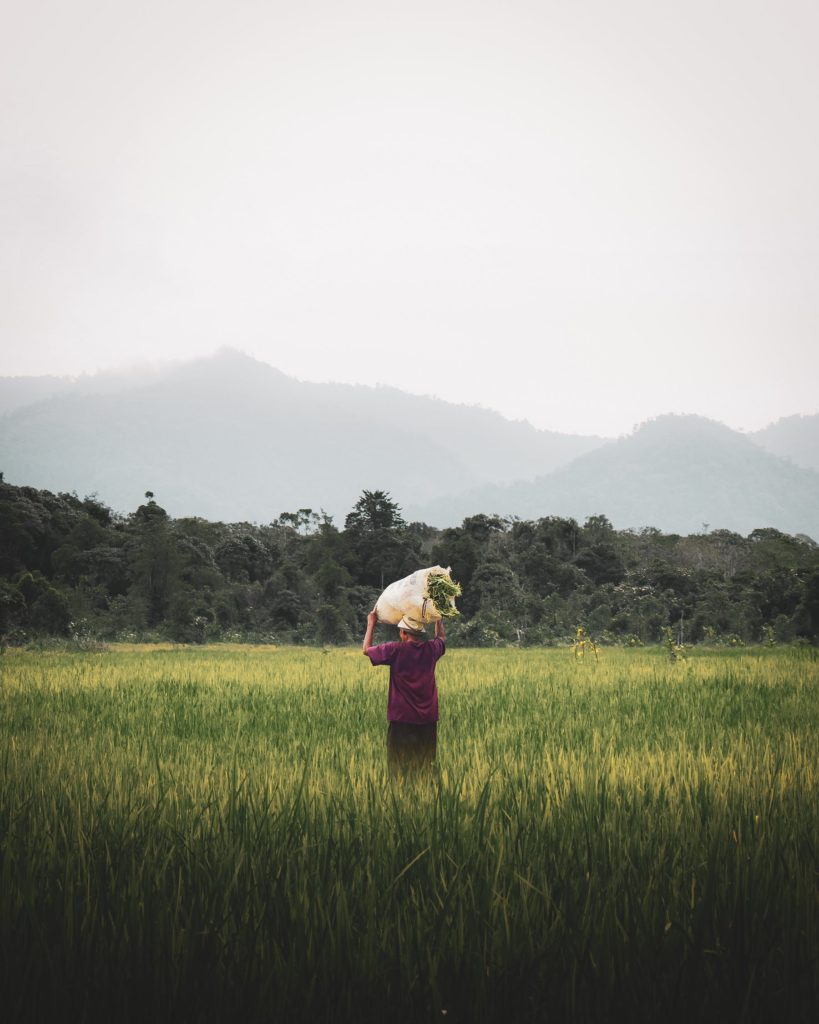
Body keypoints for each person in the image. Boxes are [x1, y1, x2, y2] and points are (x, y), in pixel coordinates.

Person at [362, 606, 446, 776]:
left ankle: (401, 798)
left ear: (404, 634)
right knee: (426, 766)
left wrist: (371, 623)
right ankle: (426, 798)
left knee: (398, 768)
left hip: (401, 719)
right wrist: (439, 618)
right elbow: (442, 637)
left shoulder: (395, 650)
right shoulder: (431, 649)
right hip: (427, 720)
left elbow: (366, 650)